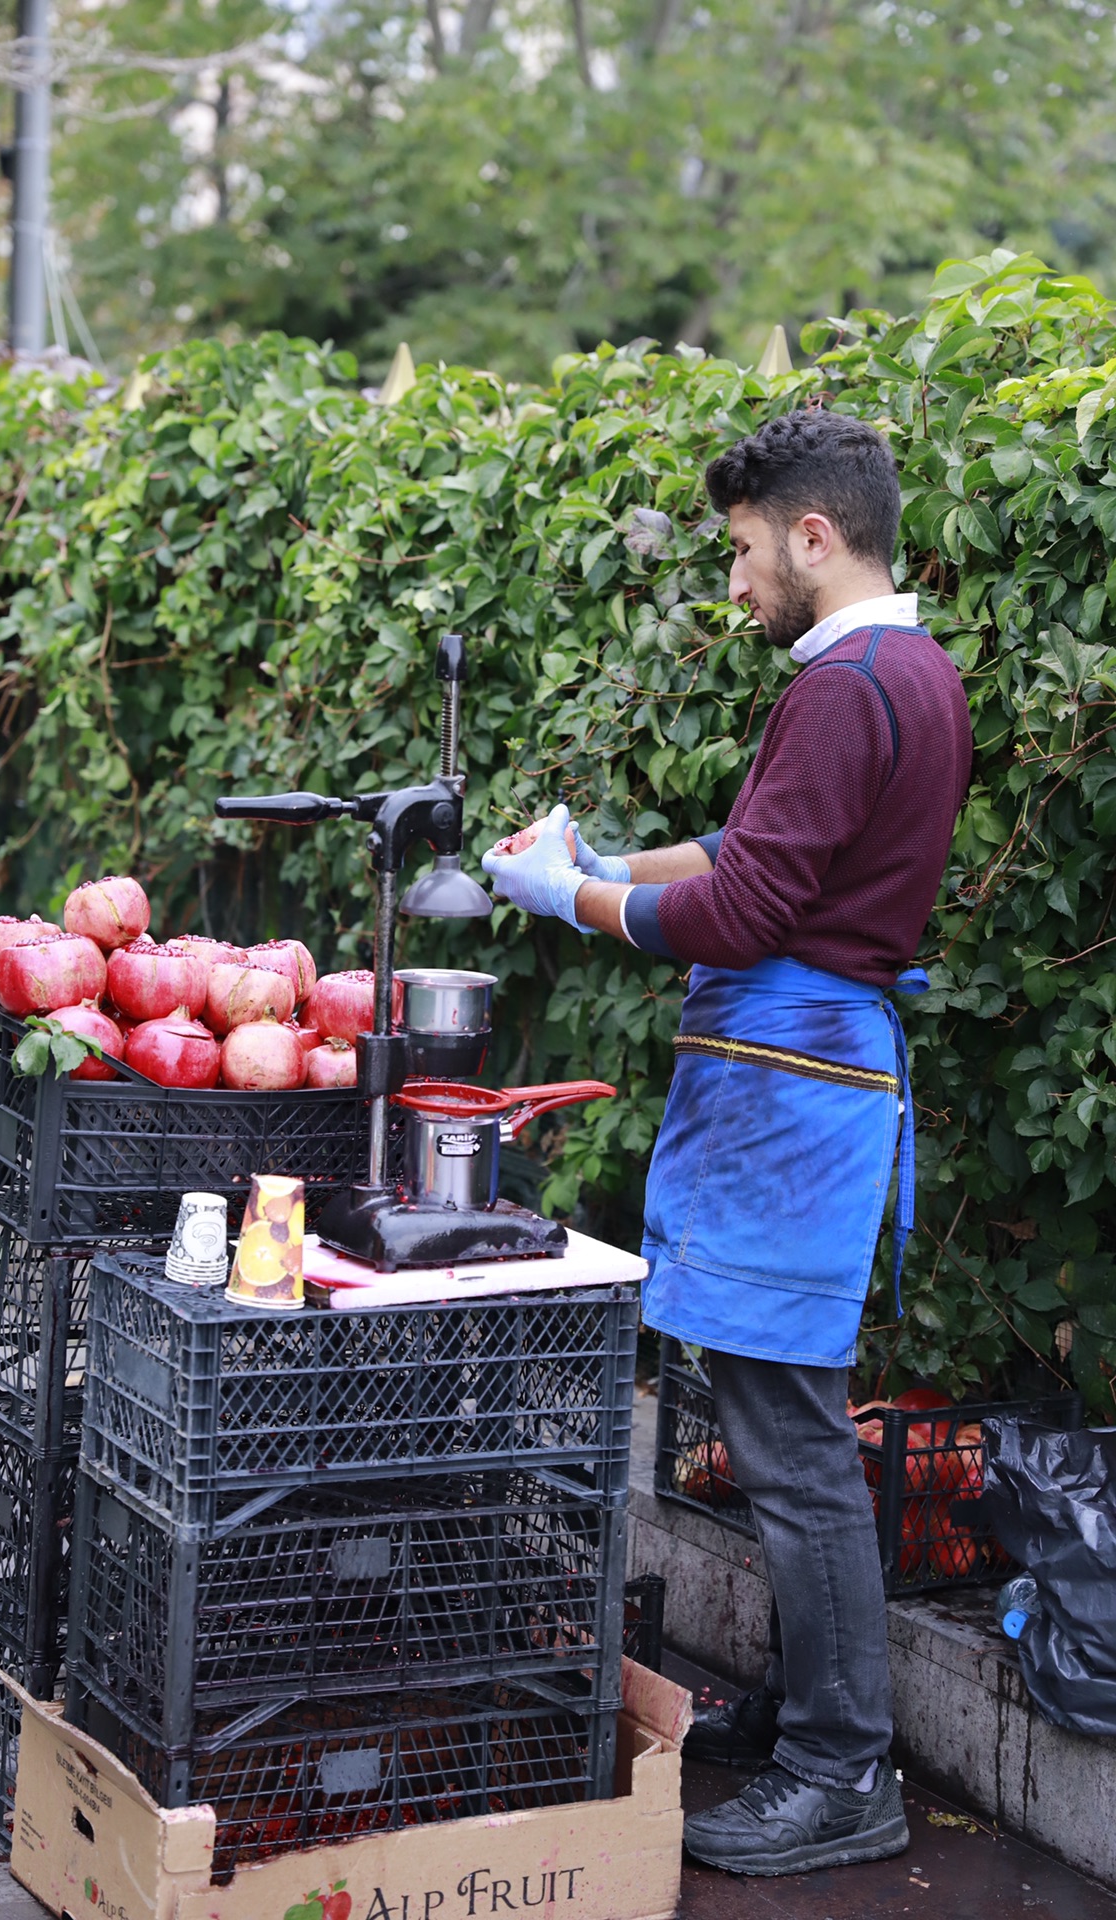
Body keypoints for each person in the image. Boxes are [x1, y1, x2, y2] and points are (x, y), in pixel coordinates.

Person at [481, 408, 972, 1879]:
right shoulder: (903, 671)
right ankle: (821, 1718)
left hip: (794, 1088)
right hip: (805, 1086)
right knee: (780, 1432)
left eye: (750, 551)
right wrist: (589, 863)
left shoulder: (845, 687)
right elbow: (755, 855)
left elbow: (749, 912)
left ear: (814, 535)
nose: (739, 583)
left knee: (794, 1447)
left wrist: (573, 908)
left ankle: (844, 1771)